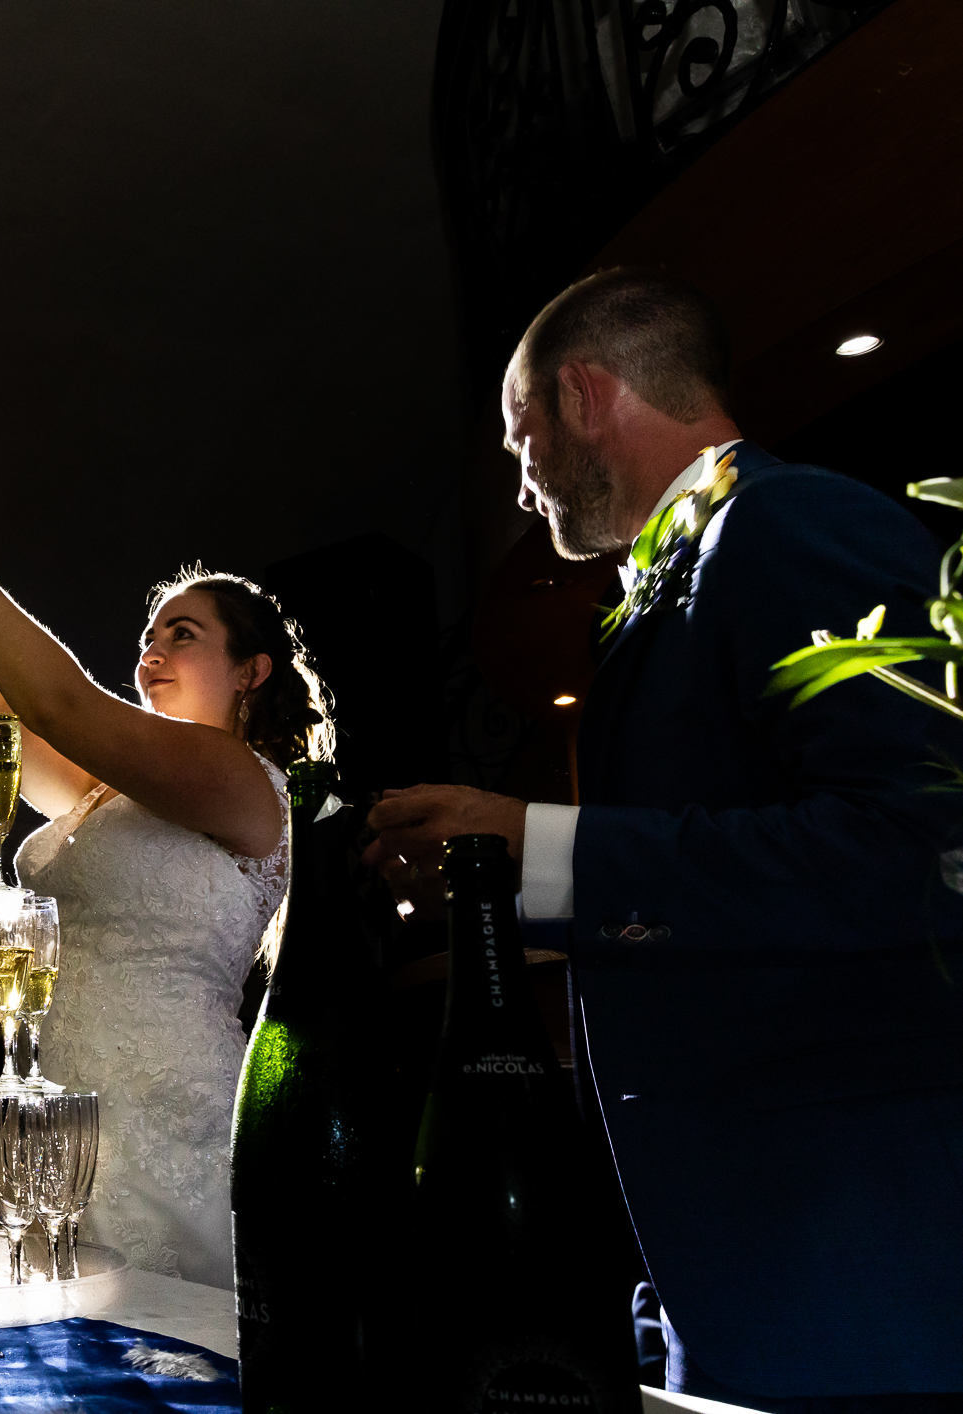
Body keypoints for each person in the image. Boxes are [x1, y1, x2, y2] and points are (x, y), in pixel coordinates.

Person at [366, 268, 963, 1409]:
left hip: (870, 1275)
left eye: (518, 433)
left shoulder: (789, 521)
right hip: (740, 1265)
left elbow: (918, 844)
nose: (522, 474)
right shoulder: (686, 573)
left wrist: (541, 848)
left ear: (585, 394)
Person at [0, 501, 333, 1289]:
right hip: (49, 1109)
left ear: (251, 671)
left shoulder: (241, 780)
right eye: (147, 638)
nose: (151, 652)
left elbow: (64, 706)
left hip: (163, 1107)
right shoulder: (98, 792)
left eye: (181, 635)